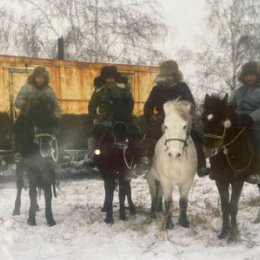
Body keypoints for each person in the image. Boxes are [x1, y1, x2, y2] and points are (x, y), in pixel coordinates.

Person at [138, 60, 210, 176]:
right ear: (162, 75)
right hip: (163, 119)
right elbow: (148, 106)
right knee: (152, 134)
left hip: (181, 120)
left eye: (170, 75)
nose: (168, 77)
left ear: (175, 75)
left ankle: (201, 166)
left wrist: (186, 110)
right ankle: (146, 160)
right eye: (165, 75)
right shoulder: (157, 89)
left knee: (196, 136)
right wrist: (151, 116)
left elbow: (191, 103)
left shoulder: (182, 87)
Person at [86, 65, 140, 165]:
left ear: (115, 77)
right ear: (104, 78)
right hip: (104, 119)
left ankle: (138, 158)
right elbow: (92, 106)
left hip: (122, 118)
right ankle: (92, 156)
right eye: (107, 77)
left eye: (112, 77)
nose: (110, 80)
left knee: (135, 131)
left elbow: (130, 102)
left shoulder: (124, 88)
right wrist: (94, 118)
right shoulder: (99, 90)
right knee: (94, 133)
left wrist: (127, 114)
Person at [12, 66, 61, 160]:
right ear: (34, 77)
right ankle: (17, 152)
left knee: (56, 129)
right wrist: (25, 105)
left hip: (44, 117)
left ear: (45, 78)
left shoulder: (49, 90)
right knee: (16, 130)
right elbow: (17, 101)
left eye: (42, 78)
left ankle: (51, 150)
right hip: (28, 116)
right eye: (38, 77)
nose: (40, 80)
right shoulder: (27, 88)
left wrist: (56, 115)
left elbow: (55, 105)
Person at [231, 61, 260, 184]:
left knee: (257, 137)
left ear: (257, 75)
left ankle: (257, 170)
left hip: (255, 122)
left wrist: (250, 117)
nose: (248, 77)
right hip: (237, 121)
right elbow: (231, 106)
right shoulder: (238, 91)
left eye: (251, 75)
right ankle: (219, 166)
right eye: (246, 75)